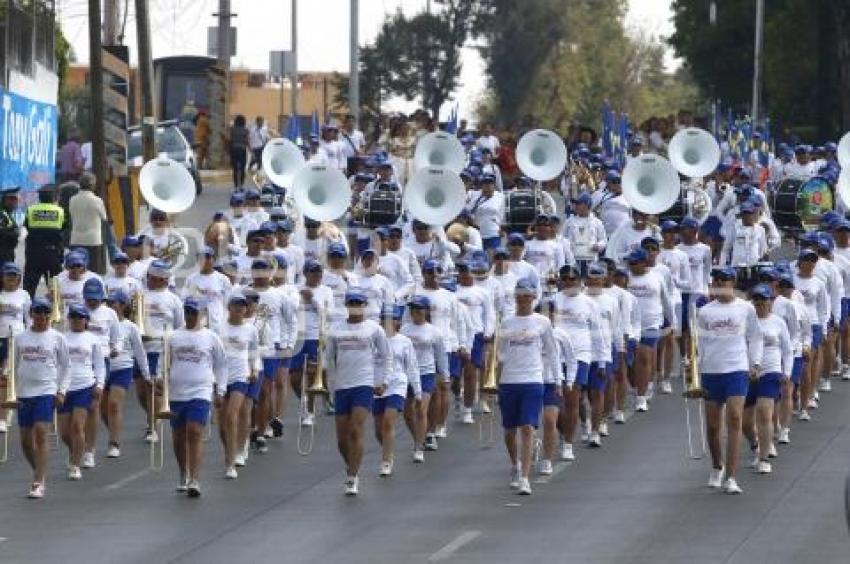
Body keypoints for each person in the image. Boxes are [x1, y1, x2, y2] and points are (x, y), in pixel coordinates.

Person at [698, 266, 762, 494]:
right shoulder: (705, 311)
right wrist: (695, 373)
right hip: (711, 371)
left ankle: (732, 476)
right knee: (714, 425)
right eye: (717, 280)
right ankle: (717, 466)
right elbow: (700, 343)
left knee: (735, 418)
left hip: (736, 368)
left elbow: (755, 337)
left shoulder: (746, 308)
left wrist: (755, 363)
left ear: (732, 282)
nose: (721, 284)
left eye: (725, 280)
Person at [324, 290, 391, 495]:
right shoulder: (335, 330)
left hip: (364, 384)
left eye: (359, 303)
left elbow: (386, 356)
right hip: (342, 386)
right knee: (342, 440)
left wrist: (383, 380)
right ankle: (352, 464)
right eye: (351, 303)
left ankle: (352, 477)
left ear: (365, 305)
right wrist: (329, 387)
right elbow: (329, 361)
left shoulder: (374, 329)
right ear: (346, 305)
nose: (355, 306)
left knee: (355, 428)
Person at [497, 278, 559, 495]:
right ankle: (516, 464)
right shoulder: (506, 322)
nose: (522, 299)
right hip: (509, 380)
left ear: (533, 297)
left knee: (527, 427)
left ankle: (524, 477)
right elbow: (501, 353)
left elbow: (552, 352)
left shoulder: (542, 322)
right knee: (509, 431)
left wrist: (558, 380)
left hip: (533, 379)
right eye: (519, 295)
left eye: (526, 295)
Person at [164, 297, 226, 497]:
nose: (190, 316)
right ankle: (183, 470)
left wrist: (221, 390)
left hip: (200, 391)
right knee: (179, 436)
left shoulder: (211, 337)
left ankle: (195, 479)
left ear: (202, 315)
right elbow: (164, 363)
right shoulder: (173, 336)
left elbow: (221, 364)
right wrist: (159, 381)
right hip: (176, 393)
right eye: (188, 312)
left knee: (194, 431)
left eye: (194, 312)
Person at [14, 298, 69, 498]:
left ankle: (38, 481)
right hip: (24, 392)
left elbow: (66, 366)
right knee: (25, 440)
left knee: (40, 433)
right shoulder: (20, 338)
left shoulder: (57, 338)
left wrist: (61, 390)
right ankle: (39, 469)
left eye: (46, 312)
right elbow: (12, 365)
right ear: (31, 315)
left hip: (46, 391)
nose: (43, 316)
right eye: (38, 312)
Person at [743, 284, 792, 475]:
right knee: (745, 423)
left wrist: (786, 372)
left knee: (764, 412)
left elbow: (787, 351)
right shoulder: (745, 321)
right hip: (747, 373)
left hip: (771, 371)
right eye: (756, 300)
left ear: (771, 301)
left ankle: (764, 457)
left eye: (764, 299)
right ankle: (756, 443)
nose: (760, 303)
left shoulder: (778, 322)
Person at [101, 289, 149, 458]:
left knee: (114, 404)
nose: (110, 306)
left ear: (122, 305)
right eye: (109, 303)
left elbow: (140, 352)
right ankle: (114, 430)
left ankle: (114, 442)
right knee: (103, 411)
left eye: (114, 303)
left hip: (123, 368)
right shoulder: (102, 323)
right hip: (103, 368)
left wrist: (146, 374)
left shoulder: (131, 327)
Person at [60, 304, 105, 480]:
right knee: (65, 433)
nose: (76, 320)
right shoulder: (61, 338)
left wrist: (99, 384)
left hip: (84, 386)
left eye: (80, 317)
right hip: (64, 388)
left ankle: (75, 465)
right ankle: (75, 451)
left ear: (86, 320)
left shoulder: (93, 339)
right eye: (73, 317)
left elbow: (100, 365)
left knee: (77, 426)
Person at [374, 306, 420, 476]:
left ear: (397, 322)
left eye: (392, 319)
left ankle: (386, 460)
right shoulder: (373, 339)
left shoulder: (404, 341)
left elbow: (412, 367)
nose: (389, 322)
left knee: (388, 422)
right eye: (385, 319)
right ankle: (389, 450)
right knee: (379, 430)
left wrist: (417, 390)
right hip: (376, 386)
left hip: (397, 385)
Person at [218, 292, 260, 479]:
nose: (239, 309)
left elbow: (254, 352)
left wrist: (255, 370)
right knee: (222, 424)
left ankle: (231, 462)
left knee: (232, 415)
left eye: (243, 306)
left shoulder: (250, 329)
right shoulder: (219, 328)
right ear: (229, 307)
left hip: (240, 376)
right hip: (220, 377)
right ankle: (230, 449)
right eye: (236, 305)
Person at [401, 295, 447, 462]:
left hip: (427, 373)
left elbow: (441, 355)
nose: (416, 312)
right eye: (413, 308)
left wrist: (445, 375)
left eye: (419, 308)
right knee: (407, 413)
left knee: (421, 409)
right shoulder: (404, 330)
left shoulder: (434, 332)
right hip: (407, 374)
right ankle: (418, 438)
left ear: (426, 311)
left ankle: (418, 448)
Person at [0, 264, 30, 433]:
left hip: (17, 338)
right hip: (1, 337)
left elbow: (28, 318)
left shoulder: (24, 295)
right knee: (2, 376)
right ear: (3, 277)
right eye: (8, 276)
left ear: (19, 278)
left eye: (14, 276)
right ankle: (5, 408)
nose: (11, 279)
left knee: (9, 373)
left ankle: (4, 414)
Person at [23, 185, 67, 297]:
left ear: (40, 197)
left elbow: (27, 226)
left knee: (29, 288)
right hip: (53, 254)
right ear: (53, 197)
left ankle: (28, 311)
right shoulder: (60, 211)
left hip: (34, 254)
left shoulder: (31, 210)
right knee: (55, 288)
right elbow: (63, 228)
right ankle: (54, 312)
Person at [68, 173, 108, 275]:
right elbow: (104, 217)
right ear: (92, 185)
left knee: (76, 271)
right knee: (93, 272)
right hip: (93, 240)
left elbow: (71, 215)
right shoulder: (97, 200)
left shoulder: (72, 199)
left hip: (76, 239)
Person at [0, 187, 21, 269]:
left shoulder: (6, 214)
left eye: (16, 200)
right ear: (5, 201)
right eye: (12, 200)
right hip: (2, 255)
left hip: (7, 254)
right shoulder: (2, 214)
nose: (15, 203)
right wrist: (15, 233)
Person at [229, 115, 250, 188]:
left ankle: (236, 185)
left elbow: (230, 139)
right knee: (242, 168)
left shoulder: (232, 129)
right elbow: (247, 141)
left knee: (235, 168)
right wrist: (250, 150)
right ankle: (241, 184)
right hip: (242, 150)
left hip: (234, 149)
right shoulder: (246, 130)